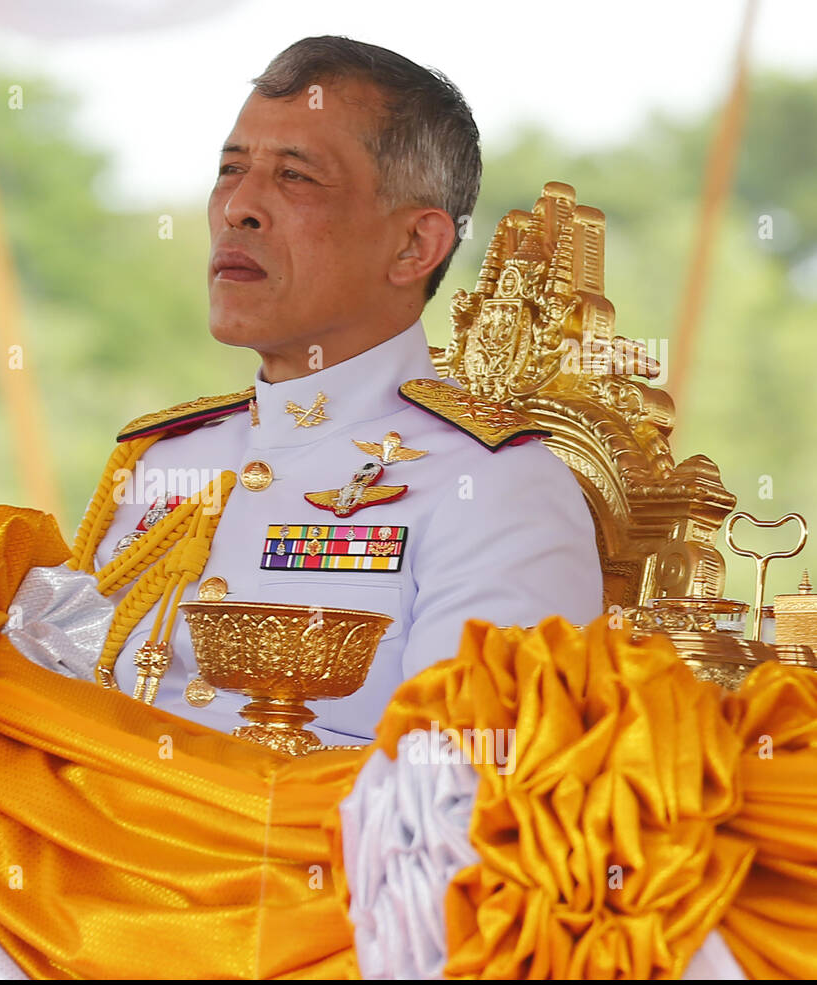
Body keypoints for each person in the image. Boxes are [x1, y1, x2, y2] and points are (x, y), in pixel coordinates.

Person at [69, 35, 603, 748]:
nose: (239, 208)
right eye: (230, 169)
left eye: (295, 177)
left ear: (415, 247)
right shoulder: (159, 461)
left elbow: (456, 800)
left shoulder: (496, 486)